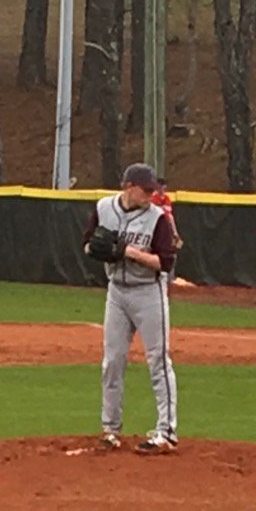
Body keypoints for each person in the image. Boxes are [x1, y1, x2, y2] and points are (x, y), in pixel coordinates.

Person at [83, 163, 178, 453]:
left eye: (154, 190)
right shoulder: (104, 207)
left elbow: (166, 262)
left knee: (158, 361)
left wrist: (128, 252)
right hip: (117, 293)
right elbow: (87, 245)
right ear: (128, 187)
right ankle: (110, 429)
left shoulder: (158, 218)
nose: (151, 194)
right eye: (146, 189)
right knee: (112, 361)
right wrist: (98, 250)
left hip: (149, 293)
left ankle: (167, 432)